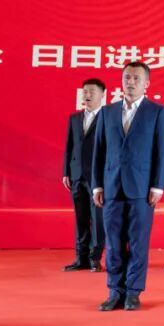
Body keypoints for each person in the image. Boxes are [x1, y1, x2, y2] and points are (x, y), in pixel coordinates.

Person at [92, 61, 164, 311]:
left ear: (147, 83)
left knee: (137, 242)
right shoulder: (107, 112)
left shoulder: (157, 112)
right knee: (113, 242)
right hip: (112, 187)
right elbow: (99, 152)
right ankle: (115, 291)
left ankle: (133, 292)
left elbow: (163, 152)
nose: (131, 82)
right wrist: (97, 185)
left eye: (137, 78)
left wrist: (158, 186)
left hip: (142, 189)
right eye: (127, 77)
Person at [62, 78, 107, 272]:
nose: (87, 95)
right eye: (85, 92)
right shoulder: (75, 118)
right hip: (77, 175)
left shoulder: (108, 117)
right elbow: (69, 147)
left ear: (102, 94)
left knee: (97, 219)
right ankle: (81, 258)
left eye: (91, 92)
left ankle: (95, 258)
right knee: (80, 218)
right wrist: (66, 172)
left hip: (98, 177)